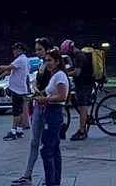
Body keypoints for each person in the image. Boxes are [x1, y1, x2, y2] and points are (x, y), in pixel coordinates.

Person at [11, 38, 54, 186]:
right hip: (38, 105)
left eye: (40, 49)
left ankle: (50, 178)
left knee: (48, 145)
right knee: (35, 142)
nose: (37, 52)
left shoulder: (52, 66)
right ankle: (28, 174)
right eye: (36, 50)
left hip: (47, 107)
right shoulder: (43, 65)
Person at [33, 49, 69, 186]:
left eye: (49, 60)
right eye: (46, 60)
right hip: (51, 111)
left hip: (54, 112)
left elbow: (62, 96)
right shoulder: (54, 75)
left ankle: (50, 181)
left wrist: (45, 99)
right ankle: (54, 180)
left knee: (47, 149)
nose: (47, 63)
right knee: (54, 149)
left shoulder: (59, 76)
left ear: (57, 61)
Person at [61, 40, 94, 141]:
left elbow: (76, 72)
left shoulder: (79, 56)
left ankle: (82, 132)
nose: (67, 54)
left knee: (82, 106)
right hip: (82, 84)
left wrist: (65, 74)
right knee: (75, 101)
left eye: (67, 52)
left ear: (71, 48)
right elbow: (73, 68)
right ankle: (85, 120)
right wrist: (63, 70)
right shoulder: (77, 57)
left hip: (85, 85)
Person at [0, 43, 31, 141]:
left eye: (15, 49)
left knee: (16, 111)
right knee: (20, 110)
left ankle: (13, 131)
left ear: (20, 50)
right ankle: (19, 129)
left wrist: (1, 67)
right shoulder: (24, 60)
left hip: (17, 89)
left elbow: (9, 67)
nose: (13, 51)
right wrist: (5, 74)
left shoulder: (21, 59)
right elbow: (12, 70)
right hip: (20, 89)